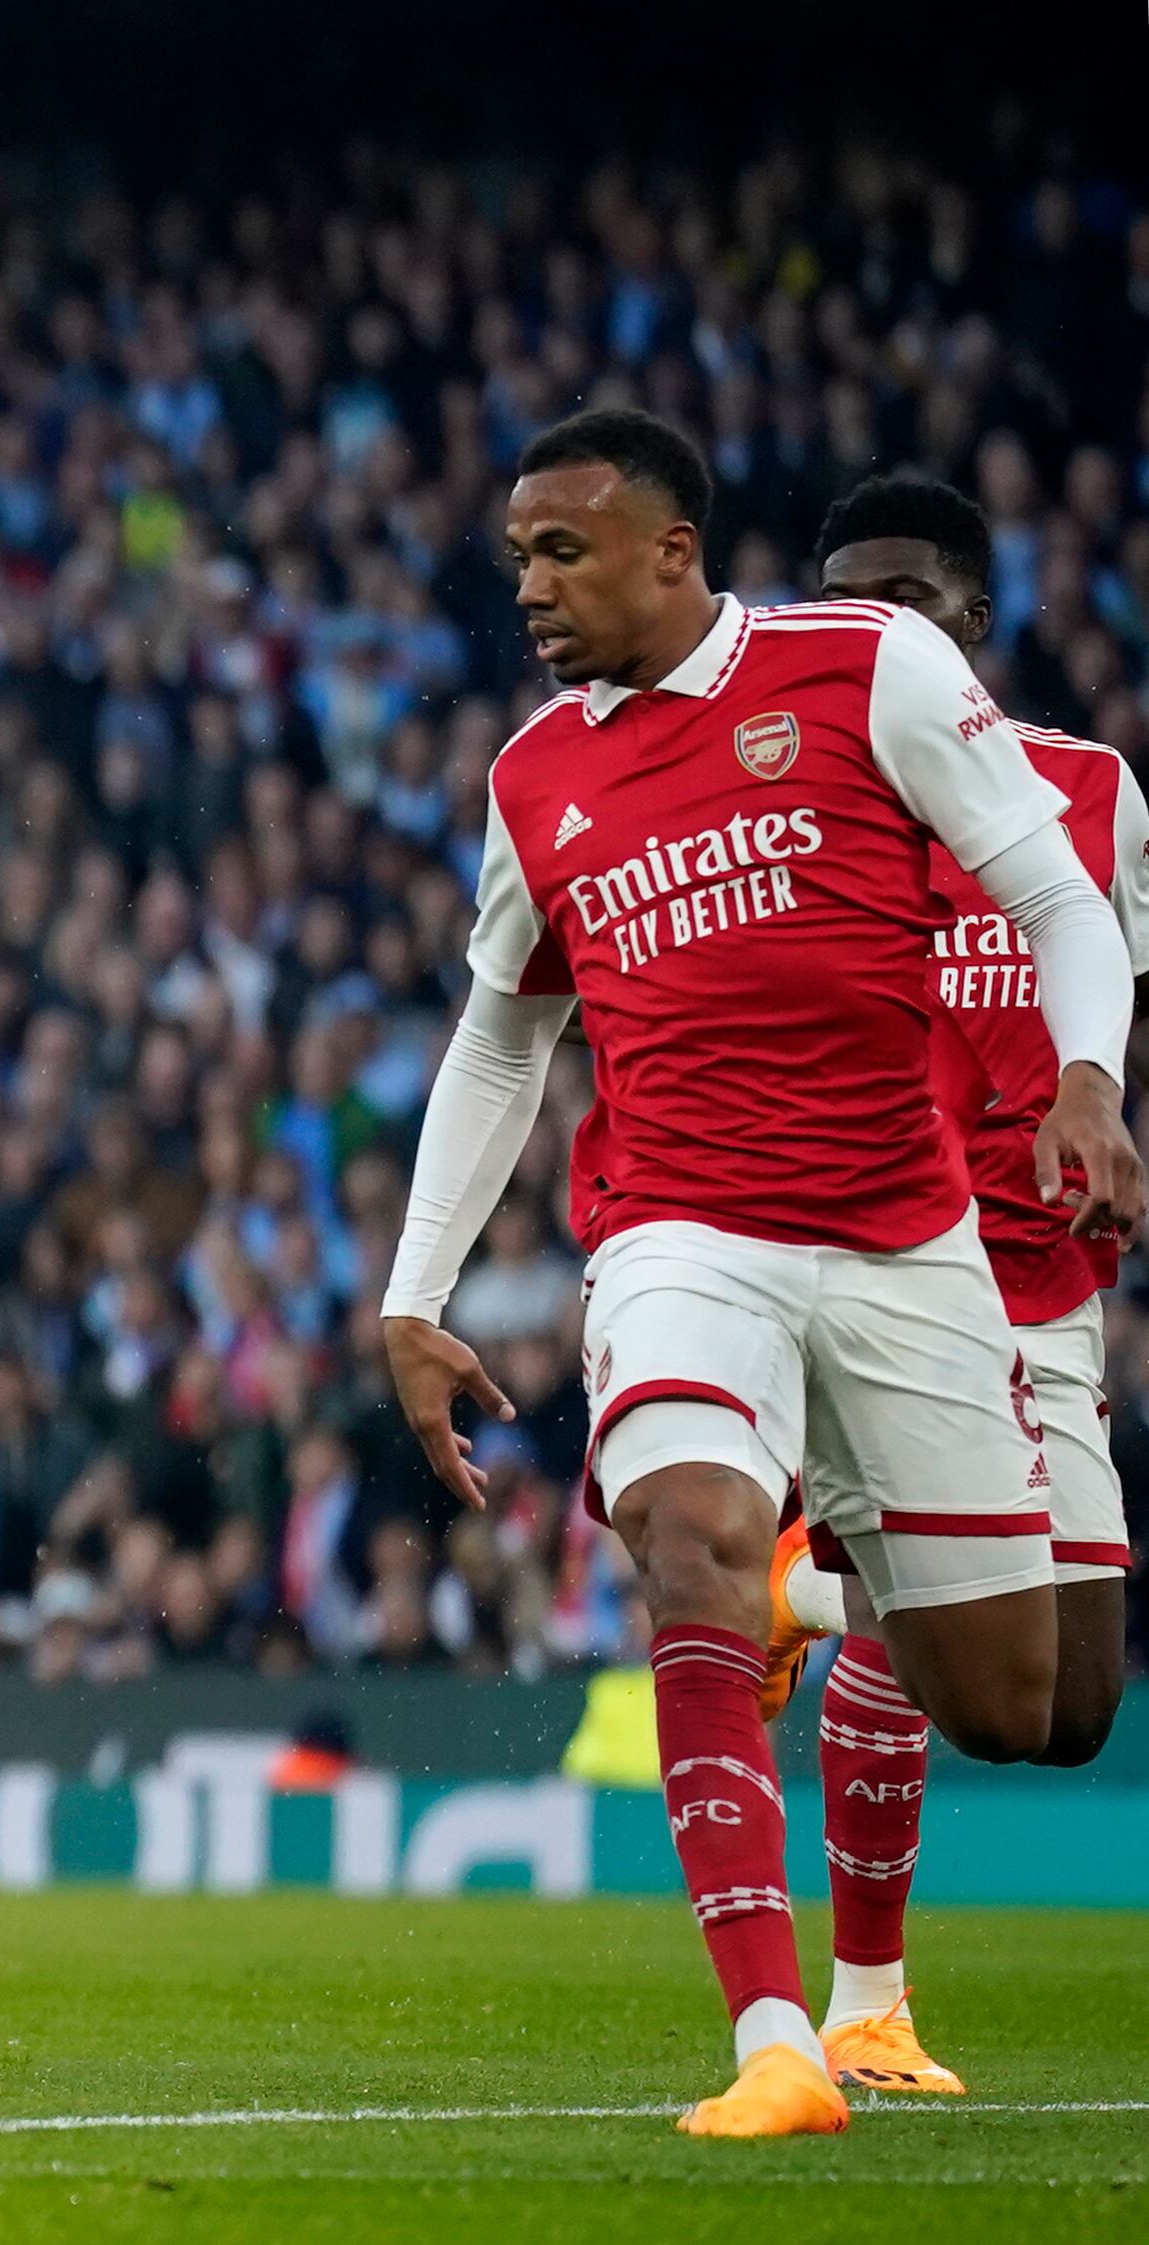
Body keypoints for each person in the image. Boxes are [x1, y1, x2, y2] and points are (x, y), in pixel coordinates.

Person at [379, 411, 1141, 2138]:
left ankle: (824, 1582)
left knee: (1027, 1705)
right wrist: (413, 1295)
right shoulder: (535, 777)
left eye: (565, 552)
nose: (534, 590)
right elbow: (499, 1045)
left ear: (674, 550)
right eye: (518, 559)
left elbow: (1055, 897)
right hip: (682, 1234)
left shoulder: (861, 669)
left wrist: (1086, 1079)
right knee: (692, 1544)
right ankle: (779, 2042)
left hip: (907, 1240)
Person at [745, 472, 1149, 2094]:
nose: (877, 624)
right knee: (953, 1650)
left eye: (907, 593)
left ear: (976, 616)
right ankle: (868, 2003)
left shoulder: (1088, 790)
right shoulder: (808, 805)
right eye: (848, 595)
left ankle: (804, 1591)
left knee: (1070, 1707)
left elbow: (1102, 972)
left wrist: (1100, 1097)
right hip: (892, 1267)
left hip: (1047, 1279)